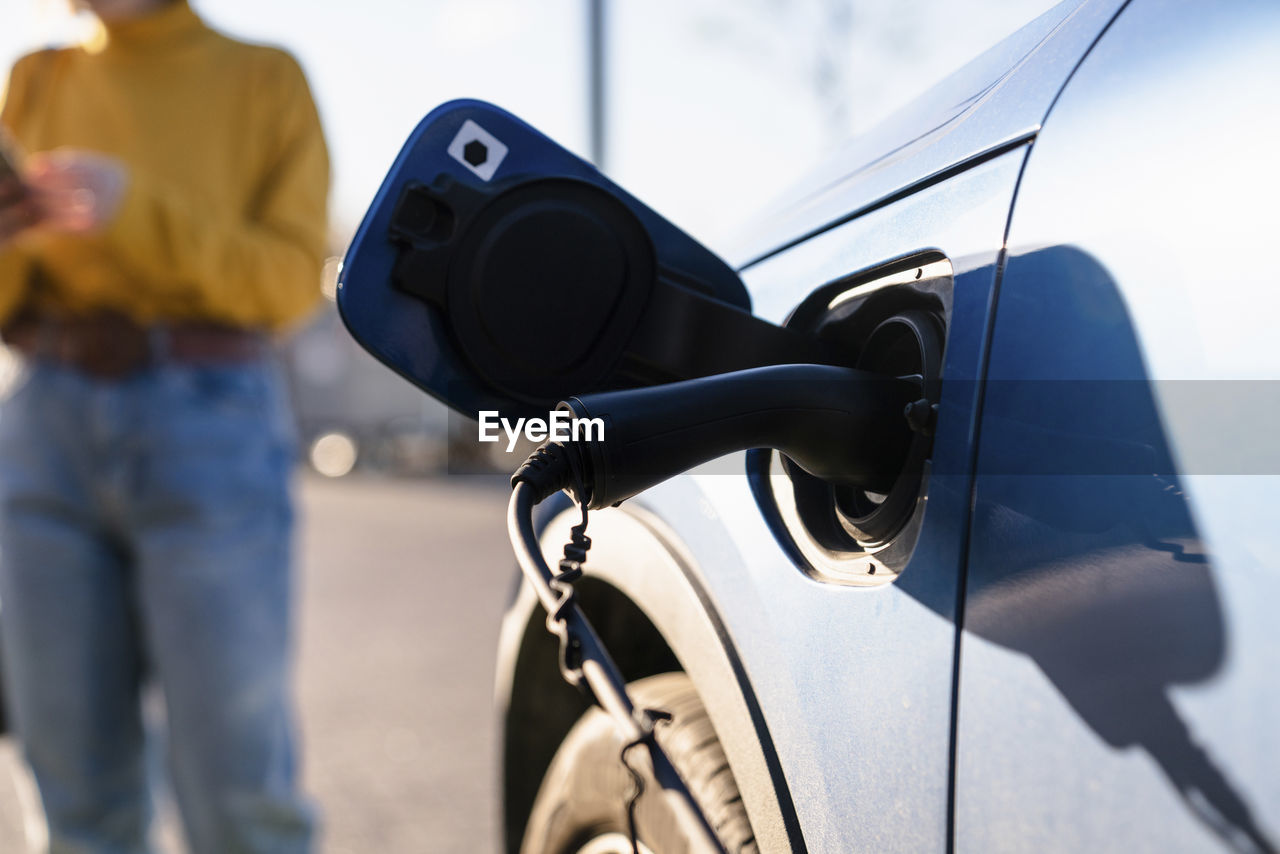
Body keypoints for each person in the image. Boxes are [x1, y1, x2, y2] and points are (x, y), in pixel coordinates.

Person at [0, 0, 329, 851]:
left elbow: (290, 283)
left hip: (209, 420)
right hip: (42, 418)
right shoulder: (35, 78)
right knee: (74, 798)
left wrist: (133, 211)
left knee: (237, 800)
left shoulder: (266, 78)